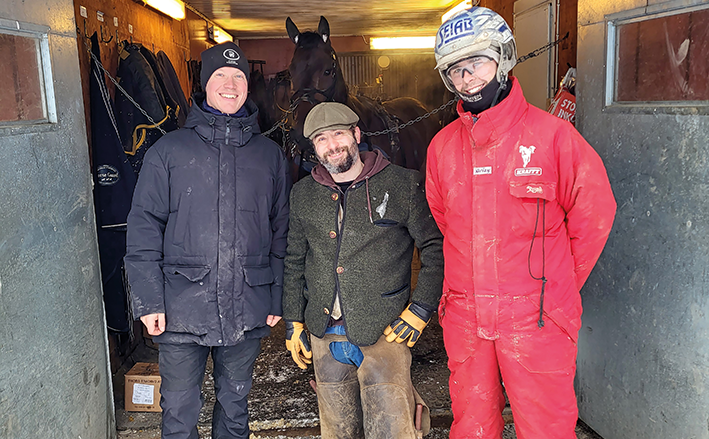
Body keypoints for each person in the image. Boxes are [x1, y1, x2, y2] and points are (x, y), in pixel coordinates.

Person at [426, 7, 616, 439]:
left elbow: (595, 213)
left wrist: (557, 284)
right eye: (455, 70)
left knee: (546, 427)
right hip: (467, 316)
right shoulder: (441, 148)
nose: (467, 77)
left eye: (476, 62)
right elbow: (445, 219)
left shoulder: (552, 137)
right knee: (472, 426)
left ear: (504, 57)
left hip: (537, 316)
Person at [124, 42, 290, 439]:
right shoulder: (168, 151)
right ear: (204, 85)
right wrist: (148, 301)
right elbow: (144, 226)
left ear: (248, 87)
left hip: (247, 303)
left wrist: (276, 295)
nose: (230, 85)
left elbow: (281, 230)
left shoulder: (270, 156)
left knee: (235, 407)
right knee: (180, 413)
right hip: (182, 307)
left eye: (238, 77)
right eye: (220, 76)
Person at [282, 102, 444, 438]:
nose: (332, 145)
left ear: (356, 135)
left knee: (391, 429)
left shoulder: (403, 185)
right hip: (324, 335)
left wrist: (420, 310)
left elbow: (436, 249)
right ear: (314, 147)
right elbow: (295, 258)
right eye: (322, 139)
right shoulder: (303, 194)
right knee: (338, 431)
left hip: (384, 333)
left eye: (339, 134)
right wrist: (293, 321)